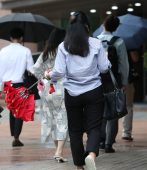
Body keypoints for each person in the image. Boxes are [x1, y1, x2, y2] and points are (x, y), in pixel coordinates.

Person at [44, 12, 111, 170]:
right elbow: (104, 68)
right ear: (87, 27)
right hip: (93, 91)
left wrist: (48, 75)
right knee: (94, 127)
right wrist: (108, 61)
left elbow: (59, 72)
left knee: (75, 131)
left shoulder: (63, 46)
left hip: (72, 93)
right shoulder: (96, 43)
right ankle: (91, 155)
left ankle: (79, 167)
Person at [29, 28, 69, 162]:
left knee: (51, 121)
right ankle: (59, 151)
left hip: (48, 91)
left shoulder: (45, 53)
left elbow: (34, 70)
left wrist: (44, 76)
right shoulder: (64, 51)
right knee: (62, 120)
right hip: (62, 89)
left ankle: (58, 152)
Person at [0, 28, 34, 147]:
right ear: (21, 38)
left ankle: (14, 135)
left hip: (7, 85)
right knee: (20, 111)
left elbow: (0, 69)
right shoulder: (26, 51)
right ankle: (16, 138)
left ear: (11, 37)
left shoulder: (3, 51)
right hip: (19, 84)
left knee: (12, 109)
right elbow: (31, 69)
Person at [97, 15, 129, 153]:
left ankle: (101, 140)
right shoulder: (119, 41)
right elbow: (123, 64)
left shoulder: (94, 40)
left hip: (97, 80)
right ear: (115, 28)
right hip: (113, 79)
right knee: (113, 108)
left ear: (103, 24)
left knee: (99, 108)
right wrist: (124, 81)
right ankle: (109, 143)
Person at [122, 50, 139, 141]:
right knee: (128, 105)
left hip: (110, 77)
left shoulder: (102, 40)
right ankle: (126, 132)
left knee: (109, 105)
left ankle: (108, 136)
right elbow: (135, 58)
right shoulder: (127, 42)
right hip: (126, 77)